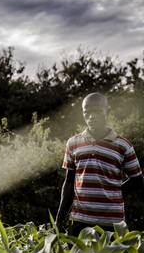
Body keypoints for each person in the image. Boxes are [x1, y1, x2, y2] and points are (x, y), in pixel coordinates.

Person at [55, 93, 143, 237]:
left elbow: (137, 180)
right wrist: (59, 218)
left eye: (97, 111)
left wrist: (113, 193)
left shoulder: (123, 145)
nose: (91, 116)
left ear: (107, 112)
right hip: (80, 221)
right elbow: (69, 182)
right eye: (87, 112)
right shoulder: (73, 143)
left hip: (111, 223)